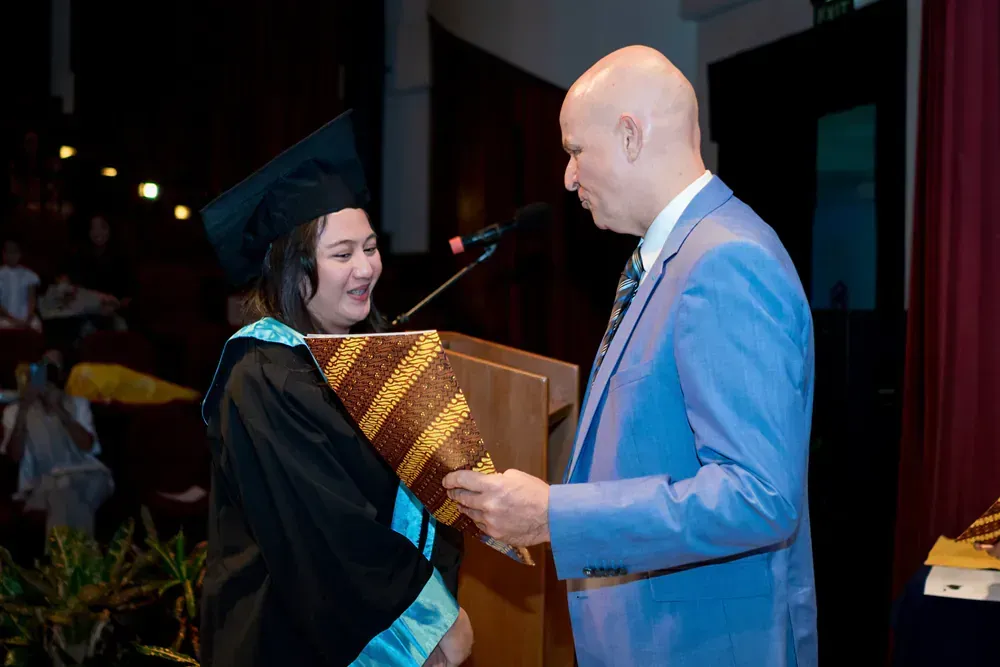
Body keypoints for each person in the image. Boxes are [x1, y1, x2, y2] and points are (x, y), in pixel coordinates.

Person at [444, 45, 818, 666]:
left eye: (574, 151)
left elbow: (758, 496)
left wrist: (554, 517)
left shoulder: (726, 260)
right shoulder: (666, 255)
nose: (567, 177)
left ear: (630, 135)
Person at [198, 110, 473, 667]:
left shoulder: (370, 354)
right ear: (294, 270)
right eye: (342, 254)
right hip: (287, 638)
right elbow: (324, 533)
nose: (366, 267)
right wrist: (429, 616)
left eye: (370, 248)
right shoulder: (263, 375)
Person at [0, 349, 113, 538]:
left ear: (61, 375)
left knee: (65, 490)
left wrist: (60, 411)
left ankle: (61, 564)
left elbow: (87, 446)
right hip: (42, 482)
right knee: (64, 492)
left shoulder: (77, 403)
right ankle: (81, 564)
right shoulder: (15, 410)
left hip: (87, 474)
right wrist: (24, 408)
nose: (46, 372)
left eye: (52, 367)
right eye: (41, 365)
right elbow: (14, 456)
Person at [0, 237, 42, 332]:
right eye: (9, 252)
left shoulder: (29, 275)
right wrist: (13, 320)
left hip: (26, 318)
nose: (12, 255)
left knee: (35, 327)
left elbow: (31, 299)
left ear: (20, 254)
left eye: (15, 252)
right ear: (4, 254)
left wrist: (28, 318)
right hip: (4, 318)